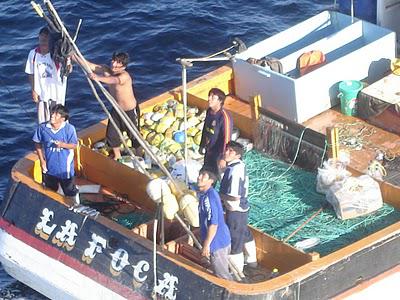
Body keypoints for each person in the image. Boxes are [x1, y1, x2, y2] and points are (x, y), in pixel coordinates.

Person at [75, 52, 139, 160]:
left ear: (123, 66)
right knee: (112, 133)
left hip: (129, 110)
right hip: (116, 109)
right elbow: (90, 65)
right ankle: (117, 156)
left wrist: (98, 78)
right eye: (113, 60)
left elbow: (115, 81)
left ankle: (139, 155)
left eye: (117, 62)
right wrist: (74, 57)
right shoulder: (106, 70)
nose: (113, 63)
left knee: (134, 135)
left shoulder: (124, 76)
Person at [219, 141, 257, 275]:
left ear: (237, 155)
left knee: (235, 239)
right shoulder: (239, 166)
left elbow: (234, 196)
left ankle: (237, 272)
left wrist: (219, 197)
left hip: (235, 210)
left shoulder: (234, 171)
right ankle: (252, 260)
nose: (226, 153)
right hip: (242, 209)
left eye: (230, 151)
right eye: (226, 150)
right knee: (244, 232)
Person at [33, 104, 79, 204]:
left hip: (64, 169)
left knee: (69, 191)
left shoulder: (69, 129)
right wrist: (42, 161)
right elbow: (37, 142)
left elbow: (74, 145)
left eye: (57, 114)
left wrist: (63, 145)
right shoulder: (42, 128)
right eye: (52, 113)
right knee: (50, 190)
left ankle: (74, 205)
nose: (52, 116)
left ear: (63, 119)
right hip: (49, 168)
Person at [25, 27, 68, 124]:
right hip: (41, 94)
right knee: (43, 122)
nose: (43, 43)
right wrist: (33, 90)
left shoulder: (56, 54)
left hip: (56, 94)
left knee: (58, 120)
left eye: (46, 40)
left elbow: (67, 69)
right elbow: (31, 73)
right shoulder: (33, 54)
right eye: (41, 40)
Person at [197, 168, 233, 281]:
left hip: (217, 243)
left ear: (211, 181)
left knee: (223, 276)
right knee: (222, 270)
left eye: (203, 176)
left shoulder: (209, 198)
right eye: (200, 174)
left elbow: (213, 223)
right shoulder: (207, 193)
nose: (199, 177)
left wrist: (207, 245)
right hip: (222, 239)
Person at [199, 88, 233, 175]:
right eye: (209, 96)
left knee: (215, 175)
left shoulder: (224, 117)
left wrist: (223, 158)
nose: (209, 99)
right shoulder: (209, 112)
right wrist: (202, 145)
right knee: (205, 172)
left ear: (220, 101)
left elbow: (227, 138)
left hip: (218, 153)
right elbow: (205, 129)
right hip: (209, 150)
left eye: (213, 97)